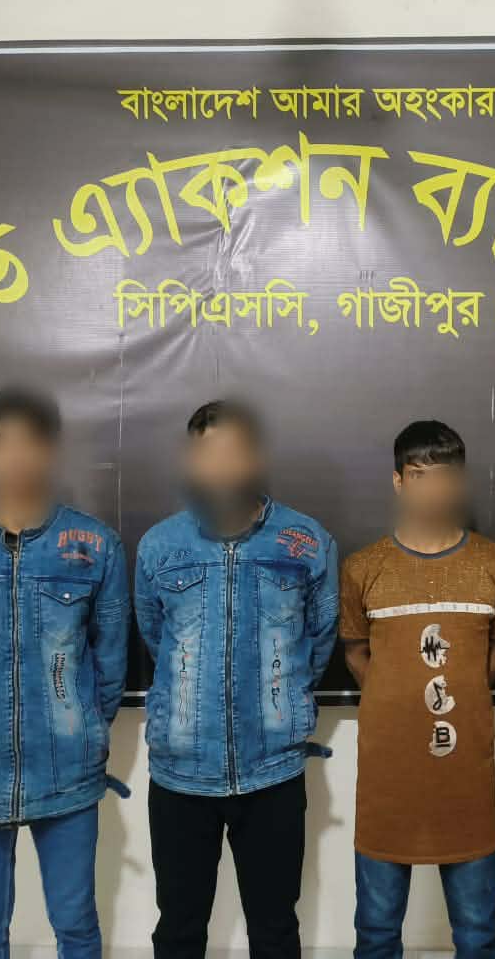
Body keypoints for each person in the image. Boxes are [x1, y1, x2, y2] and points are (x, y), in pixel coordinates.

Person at [0, 386, 130, 959]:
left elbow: (111, 659)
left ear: (50, 451)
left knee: (76, 924)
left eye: (29, 442)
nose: (15, 456)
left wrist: (82, 726)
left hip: (68, 770)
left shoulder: (94, 545)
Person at [134, 399, 339, 959]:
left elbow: (317, 641)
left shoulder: (306, 541)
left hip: (273, 770)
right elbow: (156, 637)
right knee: (179, 930)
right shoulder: (161, 545)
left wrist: (279, 702)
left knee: (274, 930)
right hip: (180, 773)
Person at [339, 420, 495, 958]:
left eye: (445, 477)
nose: (433, 490)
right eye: (419, 476)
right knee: (376, 932)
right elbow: (356, 652)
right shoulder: (363, 568)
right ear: (398, 481)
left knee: (477, 933)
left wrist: (459, 690)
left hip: (464, 779)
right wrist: (394, 698)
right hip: (387, 779)